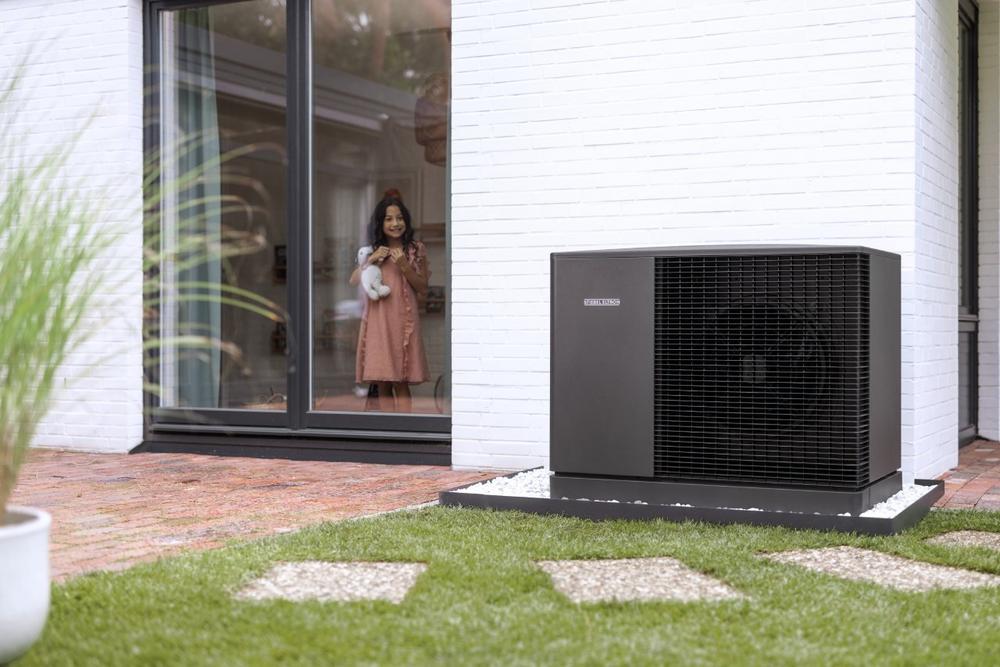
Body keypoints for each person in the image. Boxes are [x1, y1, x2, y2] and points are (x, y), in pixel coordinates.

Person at [350, 191, 429, 412]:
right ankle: (389, 427)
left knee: (401, 380)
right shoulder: (372, 251)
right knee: (383, 380)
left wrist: (404, 265)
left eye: (400, 218)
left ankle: (405, 427)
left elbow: (423, 288)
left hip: (404, 322)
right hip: (379, 321)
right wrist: (371, 260)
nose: (395, 223)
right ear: (380, 223)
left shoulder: (415, 249)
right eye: (389, 219)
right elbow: (353, 280)